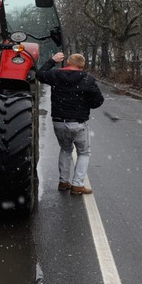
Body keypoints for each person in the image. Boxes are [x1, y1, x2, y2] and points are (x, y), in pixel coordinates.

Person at [36, 52, 104, 195]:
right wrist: (86, 104)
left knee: (66, 149)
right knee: (84, 152)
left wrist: (52, 60)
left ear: (67, 63)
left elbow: (39, 74)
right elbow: (98, 101)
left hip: (59, 122)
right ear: (82, 65)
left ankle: (63, 182)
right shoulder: (88, 80)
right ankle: (77, 185)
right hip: (78, 123)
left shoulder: (55, 75)